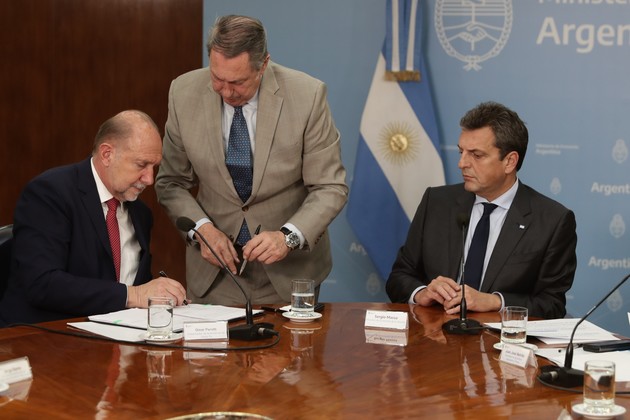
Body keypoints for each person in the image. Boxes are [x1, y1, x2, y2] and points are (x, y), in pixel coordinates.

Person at [155, 15, 347, 306]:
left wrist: (288, 237)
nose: (226, 91)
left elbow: (330, 186)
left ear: (264, 64)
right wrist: (202, 229)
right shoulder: (183, 92)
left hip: (289, 274)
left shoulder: (307, 96)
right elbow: (171, 182)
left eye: (238, 82)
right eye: (217, 78)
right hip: (214, 272)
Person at [386, 101, 577, 319]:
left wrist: (495, 301)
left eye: (476, 155)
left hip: (500, 339)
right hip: (435, 334)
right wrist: (422, 293)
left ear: (509, 161)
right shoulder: (436, 202)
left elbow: (552, 305)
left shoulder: (553, 221)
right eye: (461, 152)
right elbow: (399, 277)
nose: (462, 163)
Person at [0, 110, 188, 326]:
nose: (149, 179)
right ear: (107, 154)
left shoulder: (141, 213)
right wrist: (133, 294)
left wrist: (161, 296)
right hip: (40, 334)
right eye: (141, 165)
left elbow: (136, 287)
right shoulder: (50, 193)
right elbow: (42, 284)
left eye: (154, 167)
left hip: (113, 334)